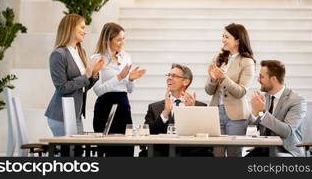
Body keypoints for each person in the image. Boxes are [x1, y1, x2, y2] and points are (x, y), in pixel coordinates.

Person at [91, 22, 146, 156]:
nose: (122, 42)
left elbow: (129, 89)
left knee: (126, 149)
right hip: (105, 107)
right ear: (108, 40)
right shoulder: (97, 59)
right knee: (108, 150)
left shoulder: (126, 57)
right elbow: (98, 90)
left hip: (123, 106)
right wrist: (119, 77)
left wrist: (131, 79)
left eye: (123, 39)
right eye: (118, 39)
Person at [45, 14, 104, 136]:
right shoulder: (58, 55)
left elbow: (83, 87)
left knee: (77, 152)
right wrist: (86, 74)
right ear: (71, 28)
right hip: (61, 115)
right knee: (67, 153)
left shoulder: (81, 52)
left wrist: (94, 74)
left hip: (76, 114)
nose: (85, 32)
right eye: (82, 27)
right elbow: (62, 88)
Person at [205, 23, 256, 157]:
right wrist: (213, 79)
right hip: (216, 113)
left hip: (236, 116)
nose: (223, 40)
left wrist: (223, 78)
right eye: (223, 36)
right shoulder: (218, 59)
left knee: (234, 155)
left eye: (226, 37)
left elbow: (241, 92)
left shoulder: (247, 62)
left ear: (237, 40)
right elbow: (209, 91)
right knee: (218, 155)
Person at [141, 63, 212, 157]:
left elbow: (205, 136)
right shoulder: (154, 107)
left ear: (185, 82)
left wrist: (191, 112)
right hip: (162, 153)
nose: (169, 78)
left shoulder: (200, 107)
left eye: (174, 76)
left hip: (190, 153)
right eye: (169, 75)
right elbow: (147, 134)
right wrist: (165, 113)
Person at [246, 60, 307, 157]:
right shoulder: (265, 97)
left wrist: (261, 112)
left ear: (273, 79)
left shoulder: (297, 101)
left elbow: (287, 131)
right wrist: (254, 112)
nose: (258, 79)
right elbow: (252, 127)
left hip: (285, 151)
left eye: (261, 77)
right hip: (263, 149)